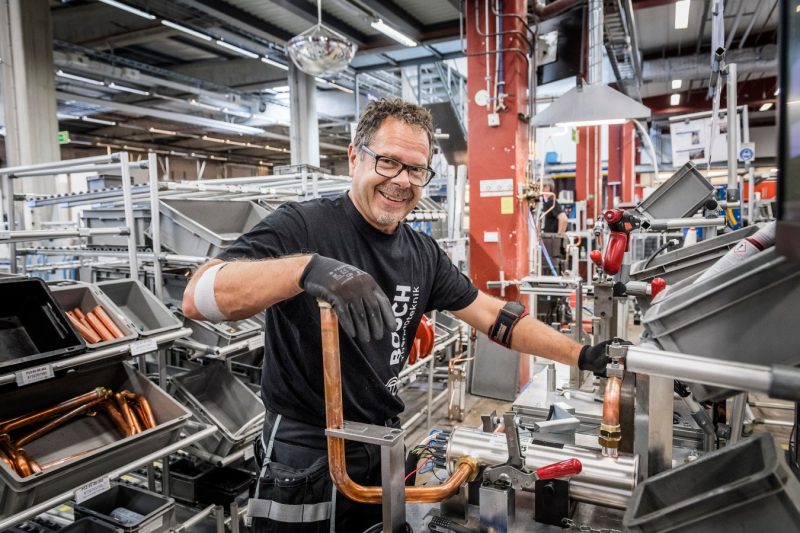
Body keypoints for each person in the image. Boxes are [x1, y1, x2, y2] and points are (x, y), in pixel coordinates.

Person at [182, 99, 615, 533]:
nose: (401, 181)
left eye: (416, 169)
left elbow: (498, 318)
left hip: (382, 442)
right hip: (307, 452)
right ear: (355, 157)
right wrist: (305, 269)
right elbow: (198, 297)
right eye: (388, 162)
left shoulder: (422, 253)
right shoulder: (302, 225)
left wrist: (582, 355)